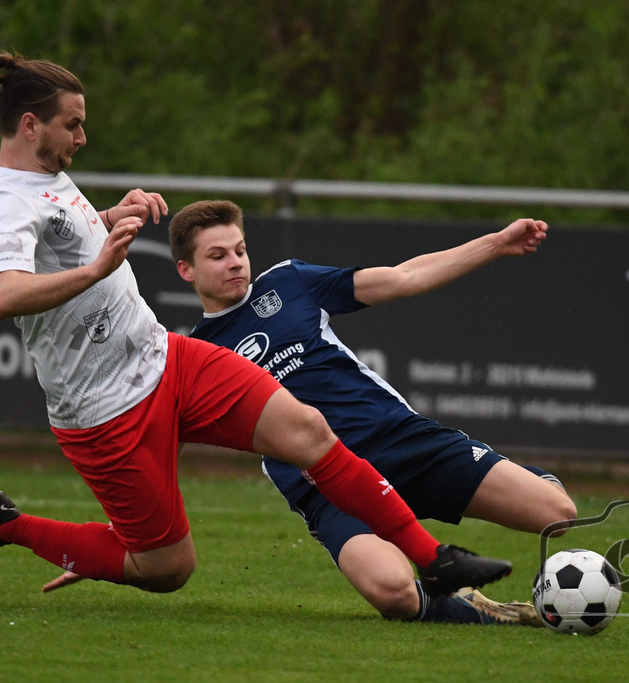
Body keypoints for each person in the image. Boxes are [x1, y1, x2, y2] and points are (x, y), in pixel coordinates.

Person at [0, 52, 513, 601]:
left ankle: (434, 558)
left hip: (165, 358)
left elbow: (59, 237)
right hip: (104, 408)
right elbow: (4, 296)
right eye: (72, 124)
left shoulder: (43, 174)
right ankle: (6, 524)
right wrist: (100, 265)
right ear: (30, 125)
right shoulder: (1, 204)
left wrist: (106, 219)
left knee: (310, 431)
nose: (81, 137)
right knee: (166, 567)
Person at [161, 199, 578, 624]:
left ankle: (510, 472)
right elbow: (164, 436)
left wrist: (496, 242)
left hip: (398, 441)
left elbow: (404, 277)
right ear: (186, 270)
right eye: (218, 256)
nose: (235, 263)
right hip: (319, 486)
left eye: (240, 250)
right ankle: (481, 609)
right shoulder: (197, 354)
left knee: (558, 515)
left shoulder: (289, 283)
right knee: (394, 593)